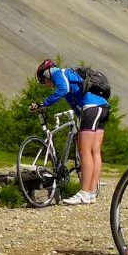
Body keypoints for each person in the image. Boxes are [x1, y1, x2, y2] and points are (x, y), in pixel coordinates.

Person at [32, 59, 109, 206]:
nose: (46, 85)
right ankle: (91, 193)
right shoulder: (72, 75)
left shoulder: (57, 73)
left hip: (91, 107)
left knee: (84, 150)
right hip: (103, 107)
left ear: (46, 74)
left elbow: (63, 89)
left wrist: (44, 103)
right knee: (95, 152)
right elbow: (77, 107)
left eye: (43, 81)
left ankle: (84, 192)